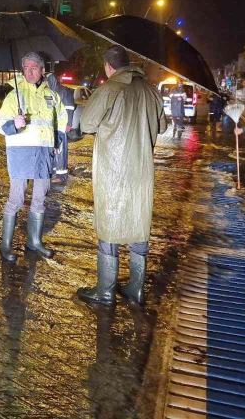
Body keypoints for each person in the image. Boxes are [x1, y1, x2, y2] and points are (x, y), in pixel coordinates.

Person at [77, 45, 168, 306]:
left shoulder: (109, 89)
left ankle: (106, 290)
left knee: (110, 225)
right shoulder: (151, 91)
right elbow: (162, 125)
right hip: (142, 172)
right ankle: (136, 289)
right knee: (139, 224)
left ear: (108, 66)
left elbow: (87, 124)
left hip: (113, 173)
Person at [0, 52, 67, 262]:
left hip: (43, 154)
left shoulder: (52, 96)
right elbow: (0, 125)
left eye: (34, 67)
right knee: (16, 199)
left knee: (40, 198)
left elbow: (60, 121)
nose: (30, 71)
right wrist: (14, 125)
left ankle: (34, 241)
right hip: (20, 154)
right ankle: (5, 245)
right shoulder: (14, 95)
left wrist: (57, 143)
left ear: (43, 71)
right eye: (26, 67)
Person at [45, 72, 75, 185]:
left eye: (47, 81)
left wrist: (68, 124)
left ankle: (61, 175)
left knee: (61, 151)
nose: (45, 83)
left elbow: (70, 108)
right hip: (52, 126)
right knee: (54, 150)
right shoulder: (49, 92)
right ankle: (54, 172)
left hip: (61, 127)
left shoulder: (64, 91)